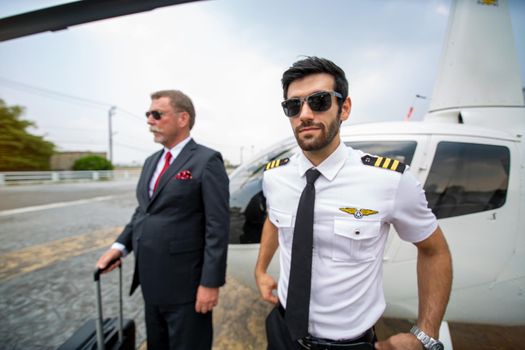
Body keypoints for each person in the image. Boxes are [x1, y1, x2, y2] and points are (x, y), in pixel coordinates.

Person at [255, 57, 452, 350]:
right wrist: (261, 270)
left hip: (348, 344)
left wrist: (426, 333)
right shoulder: (275, 176)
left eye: (319, 101)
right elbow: (275, 219)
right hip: (282, 330)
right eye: (293, 106)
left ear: (344, 108)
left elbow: (434, 251)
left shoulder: (389, 180)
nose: (305, 114)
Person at [96, 90, 230, 350]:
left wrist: (210, 283)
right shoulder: (150, 162)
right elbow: (143, 212)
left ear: (183, 118)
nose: (149, 120)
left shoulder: (206, 160)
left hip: (187, 287)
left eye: (157, 114)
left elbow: (218, 226)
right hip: (151, 282)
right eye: (148, 114)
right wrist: (119, 248)